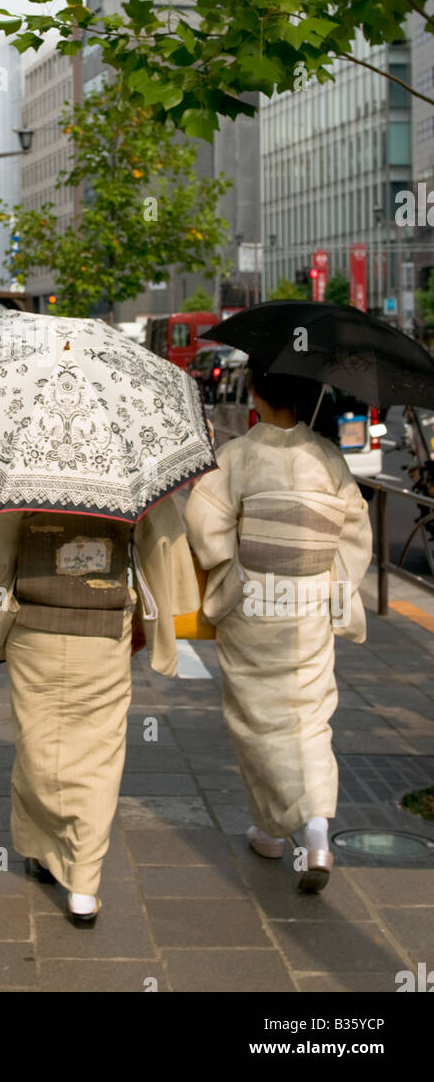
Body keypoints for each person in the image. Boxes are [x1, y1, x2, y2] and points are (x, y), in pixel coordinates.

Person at [184, 364, 373, 892]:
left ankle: (271, 828)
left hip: (254, 601)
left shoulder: (237, 455)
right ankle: (314, 832)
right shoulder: (329, 459)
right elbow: (355, 534)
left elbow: (206, 528)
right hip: (310, 600)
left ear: (256, 393)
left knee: (258, 718)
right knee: (310, 714)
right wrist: (331, 583)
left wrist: (232, 572)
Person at [0, 497, 201, 926]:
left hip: (36, 624)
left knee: (37, 743)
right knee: (98, 753)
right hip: (102, 628)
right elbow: (161, 542)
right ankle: (83, 883)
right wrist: (155, 614)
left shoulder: (27, 467)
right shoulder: (131, 469)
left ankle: (42, 848)